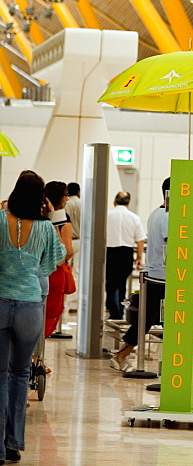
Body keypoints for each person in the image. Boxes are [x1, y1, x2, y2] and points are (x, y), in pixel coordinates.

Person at [0, 171, 65, 463]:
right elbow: (55, 260)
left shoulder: (0, 220)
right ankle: (14, 443)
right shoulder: (45, 229)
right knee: (20, 374)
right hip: (29, 307)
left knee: (0, 375)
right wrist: (53, 218)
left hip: (0, 301)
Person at [110, 178, 169, 371]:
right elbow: (170, 245)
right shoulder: (167, 217)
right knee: (146, 319)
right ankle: (121, 355)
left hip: (151, 271)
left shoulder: (155, 214)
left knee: (145, 318)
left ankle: (121, 353)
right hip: (161, 275)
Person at [105, 192, 146, 320]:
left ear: (114, 201)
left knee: (111, 283)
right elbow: (140, 240)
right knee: (122, 283)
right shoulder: (134, 218)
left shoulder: (107, 215)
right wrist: (139, 258)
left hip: (110, 251)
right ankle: (120, 309)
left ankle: (113, 310)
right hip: (126, 253)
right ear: (128, 203)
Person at [43, 181, 74, 337]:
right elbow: (67, 251)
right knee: (51, 312)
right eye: (66, 195)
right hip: (55, 271)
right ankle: (36, 356)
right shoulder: (62, 219)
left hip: (36, 270)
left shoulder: (38, 215)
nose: (67, 199)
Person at [65, 183, 81, 312]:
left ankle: (65, 302)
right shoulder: (83, 204)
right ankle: (74, 303)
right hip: (81, 241)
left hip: (67, 239)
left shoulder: (66, 204)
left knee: (65, 270)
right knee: (77, 271)